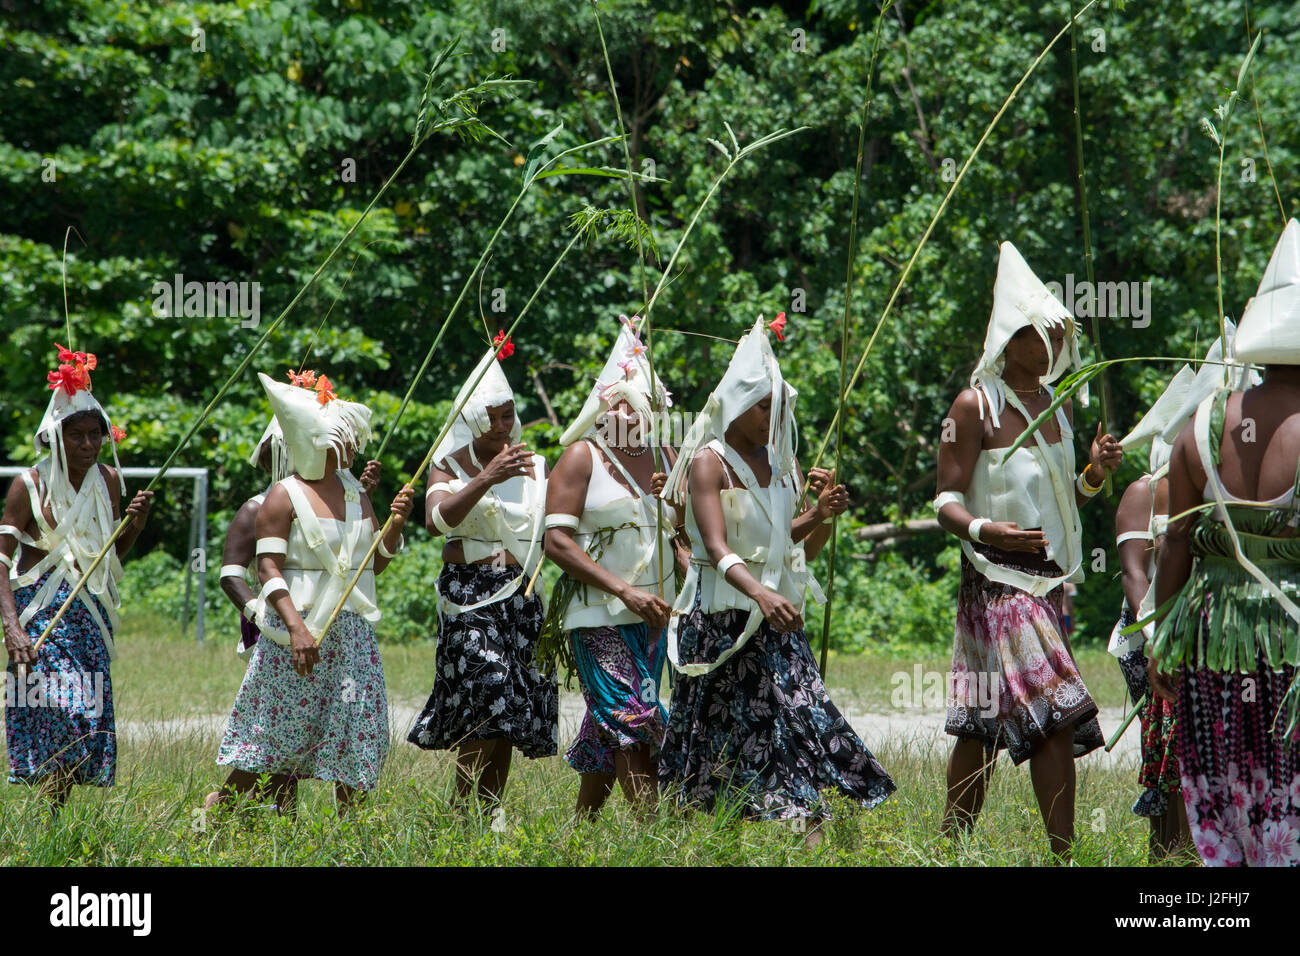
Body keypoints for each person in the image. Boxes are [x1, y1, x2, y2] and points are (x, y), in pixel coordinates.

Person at [658, 314, 895, 839]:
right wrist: (760, 592)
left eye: (780, 404)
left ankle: (811, 834)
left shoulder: (784, 464)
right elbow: (716, 546)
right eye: (765, 404)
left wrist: (822, 514)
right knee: (715, 742)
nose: (774, 413)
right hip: (721, 622)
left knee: (800, 722)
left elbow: (793, 545)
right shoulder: (708, 464)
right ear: (739, 403)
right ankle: (698, 842)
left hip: (778, 623)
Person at [934, 242, 1121, 862]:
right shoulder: (974, 406)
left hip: (1045, 583)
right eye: (1038, 332)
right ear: (1008, 339)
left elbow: (1066, 502)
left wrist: (1093, 474)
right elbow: (944, 503)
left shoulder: (1059, 408)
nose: (1050, 344)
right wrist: (989, 531)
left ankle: (947, 846)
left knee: (983, 723)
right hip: (995, 581)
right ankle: (1063, 854)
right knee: (1058, 712)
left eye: (1056, 333)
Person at [1149, 219, 1300, 867]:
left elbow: (1175, 540)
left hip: (1210, 632)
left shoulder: (1203, 423)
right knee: (1286, 792)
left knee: (1226, 787)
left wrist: (1158, 634)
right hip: (1288, 633)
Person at [215, 371, 413, 814]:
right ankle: (222, 807)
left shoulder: (356, 492)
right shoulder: (282, 496)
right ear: (315, 440)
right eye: (340, 438)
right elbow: (266, 567)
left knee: (357, 726)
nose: (349, 446)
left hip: (351, 632)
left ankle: (352, 834)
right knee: (277, 733)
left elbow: (374, 562)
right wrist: (295, 628)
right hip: (297, 630)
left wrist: (395, 525)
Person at [542, 315, 686, 817]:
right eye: (628, 410)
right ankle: (655, 833)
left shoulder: (667, 457)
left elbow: (680, 536)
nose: (637, 420)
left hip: (653, 619)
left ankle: (580, 831)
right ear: (607, 408)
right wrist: (624, 591)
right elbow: (556, 541)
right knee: (634, 718)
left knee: (614, 723)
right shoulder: (583, 458)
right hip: (599, 613)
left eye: (647, 411)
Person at [1, 344, 153, 810]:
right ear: (54, 437)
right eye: (77, 436)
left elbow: (110, 555)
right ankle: (49, 816)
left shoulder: (107, 480)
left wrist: (135, 527)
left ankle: (53, 816)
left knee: (83, 719)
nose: (88, 445)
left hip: (90, 618)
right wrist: (11, 627)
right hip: (40, 619)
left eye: (95, 435)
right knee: (56, 712)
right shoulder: (28, 486)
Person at [408, 343, 557, 810]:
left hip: (520, 593)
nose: (501, 425)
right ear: (471, 419)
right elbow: (436, 521)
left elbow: (553, 528)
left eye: (508, 414)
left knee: (508, 706)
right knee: (488, 689)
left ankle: (489, 812)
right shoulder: (447, 463)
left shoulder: (534, 464)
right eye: (491, 416)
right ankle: (459, 807)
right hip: (469, 591)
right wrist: (486, 478)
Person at [1110, 363, 1197, 858]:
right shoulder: (1143, 490)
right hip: (1149, 633)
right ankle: (1170, 848)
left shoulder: (1205, 491)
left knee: (1179, 745)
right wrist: (1158, 634)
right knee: (1167, 743)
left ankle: (1180, 848)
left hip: (1185, 629)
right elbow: (1134, 575)